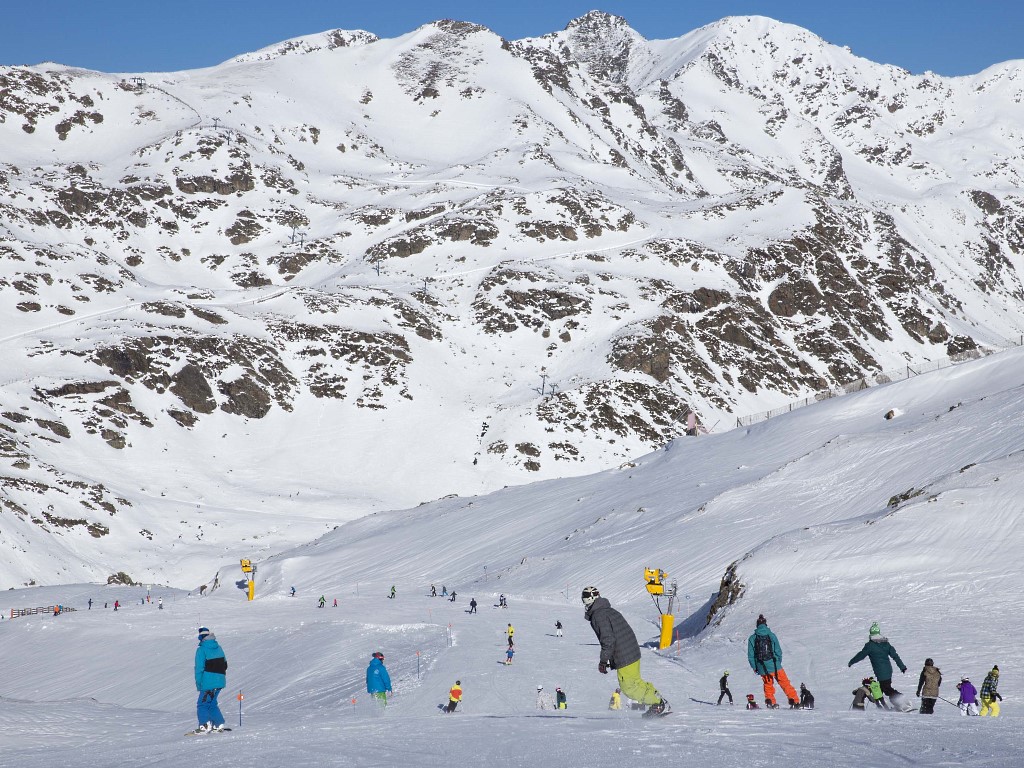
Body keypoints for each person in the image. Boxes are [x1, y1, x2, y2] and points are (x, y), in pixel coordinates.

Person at [582, 586, 670, 717]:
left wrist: (603, 660)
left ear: (590, 600)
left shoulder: (598, 615)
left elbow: (608, 639)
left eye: (585, 600)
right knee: (637, 682)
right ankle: (658, 700)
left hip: (624, 654)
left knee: (629, 687)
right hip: (631, 650)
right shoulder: (607, 610)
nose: (584, 603)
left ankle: (658, 703)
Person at [847, 621, 911, 711]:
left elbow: (861, 655)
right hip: (888, 670)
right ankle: (888, 706)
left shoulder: (870, 645)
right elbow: (895, 656)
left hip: (881, 672)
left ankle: (901, 700)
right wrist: (902, 667)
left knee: (886, 689)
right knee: (881, 689)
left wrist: (851, 662)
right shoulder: (886, 644)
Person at [747, 614, 800, 709]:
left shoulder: (752, 638)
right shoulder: (771, 635)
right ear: (766, 624)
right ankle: (794, 701)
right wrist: (778, 662)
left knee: (768, 685)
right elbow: (778, 651)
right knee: (785, 683)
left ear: (757, 625)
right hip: (775, 664)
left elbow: (751, 656)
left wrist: (755, 667)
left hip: (762, 666)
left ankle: (770, 702)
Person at [193, 627, 228, 733]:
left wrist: (200, 684)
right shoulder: (219, 647)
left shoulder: (201, 650)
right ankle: (218, 724)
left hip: (208, 682)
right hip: (220, 681)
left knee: (202, 704)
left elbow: (199, 669)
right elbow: (225, 664)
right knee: (212, 704)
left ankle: (204, 725)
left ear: (201, 637)